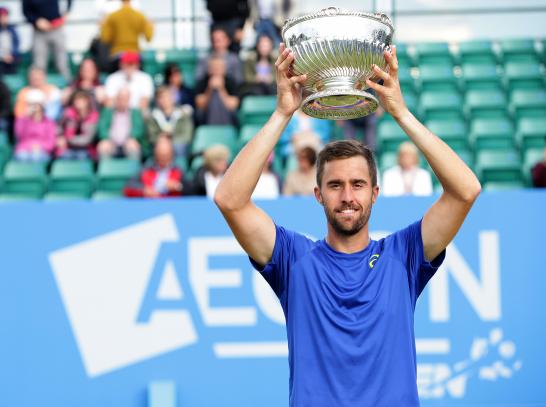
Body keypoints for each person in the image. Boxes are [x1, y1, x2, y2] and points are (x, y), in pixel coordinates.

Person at [213, 44, 481, 406]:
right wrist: (281, 113)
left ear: (375, 193)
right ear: (318, 195)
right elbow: (229, 199)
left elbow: (465, 190)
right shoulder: (294, 258)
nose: (347, 196)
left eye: (357, 185)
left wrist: (400, 113)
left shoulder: (403, 255)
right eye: (335, 185)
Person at [22, 0, 73, 80]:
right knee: (39, 64)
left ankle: (69, 86)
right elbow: (26, 12)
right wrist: (36, 21)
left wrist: (67, 13)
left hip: (56, 28)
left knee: (62, 63)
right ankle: (38, 88)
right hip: (39, 31)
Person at [146, 86, 194, 158]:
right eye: (160, 97)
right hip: (159, 146)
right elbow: (151, 136)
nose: (164, 100)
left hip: (178, 145)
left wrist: (171, 141)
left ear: (173, 98)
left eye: (167, 96)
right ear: (157, 100)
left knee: (178, 147)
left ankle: (179, 167)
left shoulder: (183, 114)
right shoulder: (153, 116)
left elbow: (187, 135)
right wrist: (162, 140)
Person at [97, 88, 142, 160]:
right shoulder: (107, 112)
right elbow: (102, 128)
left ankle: (134, 170)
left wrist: (132, 137)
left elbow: (138, 128)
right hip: (111, 143)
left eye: (124, 99)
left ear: (129, 100)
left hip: (128, 142)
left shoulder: (135, 113)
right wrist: (106, 138)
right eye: (119, 98)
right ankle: (106, 170)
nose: (121, 101)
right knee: (103, 146)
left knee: (133, 146)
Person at [14, 89, 57, 162]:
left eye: (36, 104)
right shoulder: (23, 120)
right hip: (24, 149)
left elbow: (51, 142)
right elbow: (19, 135)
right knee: (22, 157)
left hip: (42, 151)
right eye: (31, 104)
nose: (34, 107)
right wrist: (25, 117)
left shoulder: (49, 122)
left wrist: (40, 146)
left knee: (36, 157)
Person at [195, 56, 240, 126]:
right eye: (214, 67)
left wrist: (221, 89)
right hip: (206, 116)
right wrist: (209, 90)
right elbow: (200, 105)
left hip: (227, 115)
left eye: (219, 67)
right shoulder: (202, 82)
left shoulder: (230, 82)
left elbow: (233, 105)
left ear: (224, 69)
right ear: (209, 69)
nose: (216, 70)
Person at [56, 90, 99, 160]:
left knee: (81, 156)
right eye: (76, 100)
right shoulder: (68, 114)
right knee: (65, 155)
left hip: (86, 149)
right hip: (68, 148)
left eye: (81, 100)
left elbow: (88, 139)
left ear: (87, 101)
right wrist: (59, 137)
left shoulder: (93, 116)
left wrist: (69, 139)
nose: (78, 102)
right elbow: (59, 128)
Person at [0, 6, 20, 75]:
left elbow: (16, 44)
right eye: (1, 17)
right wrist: (1, 57)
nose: (3, 19)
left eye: (5, 16)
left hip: (11, 59)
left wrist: (12, 55)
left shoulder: (12, 30)